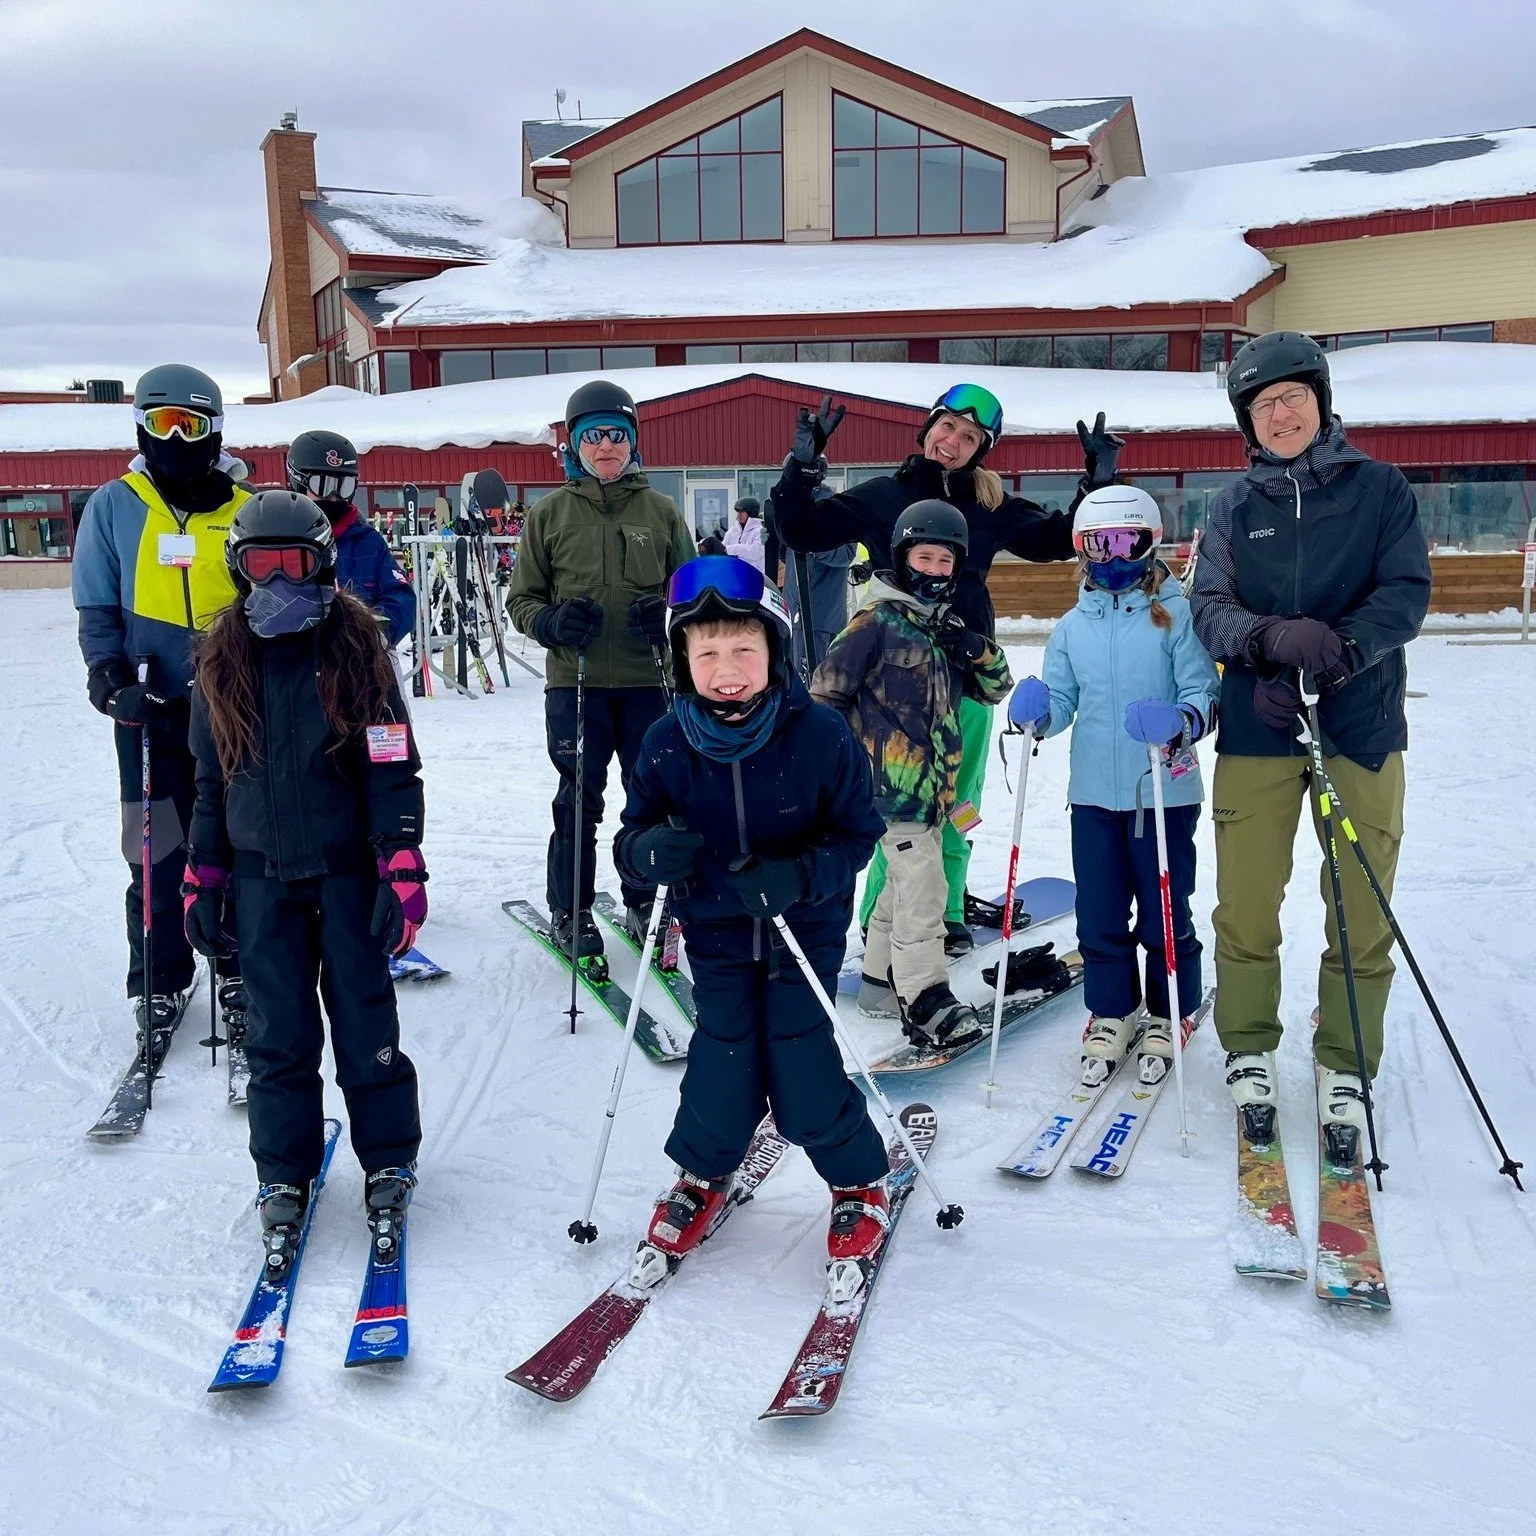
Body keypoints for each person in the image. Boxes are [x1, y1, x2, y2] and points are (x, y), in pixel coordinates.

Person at [613, 557, 891, 1269]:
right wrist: (650, 854)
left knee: (800, 1053)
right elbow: (631, 831)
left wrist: (799, 875)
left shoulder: (820, 737)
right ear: (683, 658)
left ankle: (857, 1179)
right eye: (706, 652)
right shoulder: (666, 741)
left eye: (743, 648)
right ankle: (704, 1172)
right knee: (723, 1050)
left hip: (805, 926)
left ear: (776, 650)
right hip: (714, 926)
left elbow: (859, 834)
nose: (725, 668)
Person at [1188, 331, 1431, 1142]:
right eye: (1263, 403)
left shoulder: (1380, 489)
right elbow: (1209, 607)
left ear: (1321, 401)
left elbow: (1405, 591)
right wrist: (1268, 644)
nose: (1281, 412)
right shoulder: (1231, 508)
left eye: (1293, 396)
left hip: (1360, 726)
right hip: (1261, 731)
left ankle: (1347, 1057)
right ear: (1247, 424)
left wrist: (1343, 651)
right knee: (1246, 905)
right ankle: (1249, 1046)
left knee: (1360, 908)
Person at [772, 387, 1116, 955]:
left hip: (966, 673)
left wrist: (1095, 485)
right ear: (928, 426)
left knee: (959, 799)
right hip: (894, 684)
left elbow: (1057, 539)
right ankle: (887, 922)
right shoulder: (885, 495)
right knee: (901, 806)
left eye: (969, 437)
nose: (952, 442)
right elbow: (801, 530)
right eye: (948, 427)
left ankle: (946, 909)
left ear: (981, 450)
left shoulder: (987, 506)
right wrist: (802, 468)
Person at [183, 490, 425, 1276]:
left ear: (323, 564)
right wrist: (203, 872)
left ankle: (387, 1156)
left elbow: (391, 765)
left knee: (366, 1025)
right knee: (277, 1037)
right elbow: (212, 780)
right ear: (239, 571)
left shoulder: (357, 651)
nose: (281, 582)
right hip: (262, 883)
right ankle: (280, 1172)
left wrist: (401, 860)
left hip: (348, 874)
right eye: (264, 566)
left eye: (296, 564)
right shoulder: (221, 661)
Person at [70, 363, 251, 1051]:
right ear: (142, 427)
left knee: (238, 841)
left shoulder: (245, 506)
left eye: (193, 426)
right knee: (155, 848)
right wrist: (109, 679)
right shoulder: (113, 506)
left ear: (215, 432)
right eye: (164, 424)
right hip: (149, 711)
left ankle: (237, 964)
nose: (177, 439)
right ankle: (160, 979)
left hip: (235, 712)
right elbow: (96, 607)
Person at [1012, 485, 1220, 1084]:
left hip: (1163, 792)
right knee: (1099, 914)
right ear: (1081, 551)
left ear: (1150, 542)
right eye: (1096, 545)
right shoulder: (1072, 627)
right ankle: (1111, 1013)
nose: (1112, 557)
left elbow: (1203, 692)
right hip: (1094, 797)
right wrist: (1038, 713)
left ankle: (1167, 1010)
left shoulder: (1177, 615)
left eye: (1126, 542)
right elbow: (1061, 701)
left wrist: (1181, 722)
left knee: (1162, 910)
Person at [812, 501, 1013, 1048]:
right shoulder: (872, 624)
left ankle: (879, 982)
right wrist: (837, 773)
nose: (933, 570)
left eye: (945, 562)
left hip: (934, 791)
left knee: (901, 891)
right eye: (923, 557)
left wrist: (977, 650)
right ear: (902, 560)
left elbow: (997, 689)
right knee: (924, 893)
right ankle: (926, 1000)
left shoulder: (945, 630)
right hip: (885, 793)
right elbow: (823, 700)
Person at [506, 380, 696, 955]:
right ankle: (570, 909)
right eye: (593, 437)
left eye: (616, 436)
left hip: (647, 683)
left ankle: (645, 901)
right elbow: (522, 600)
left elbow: (691, 596)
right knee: (577, 799)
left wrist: (664, 614)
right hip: (577, 684)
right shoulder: (549, 515)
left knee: (652, 800)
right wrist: (552, 623)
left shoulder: (661, 511)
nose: (606, 447)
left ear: (632, 443)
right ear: (576, 446)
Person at [287, 430, 415, 647]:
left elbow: (402, 597)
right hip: (297, 666)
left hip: (357, 665)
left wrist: (373, 634)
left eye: (344, 486)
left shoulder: (367, 542)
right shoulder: (278, 541)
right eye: (323, 486)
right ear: (298, 482)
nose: (335, 496)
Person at [722, 496, 767, 574]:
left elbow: (756, 552)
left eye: (742, 512)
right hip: (734, 576)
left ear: (751, 512)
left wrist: (732, 549)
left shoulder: (760, 530)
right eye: (738, 512)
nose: (739, 515)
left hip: (753, 576)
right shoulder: (733, 531)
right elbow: (723, 547)